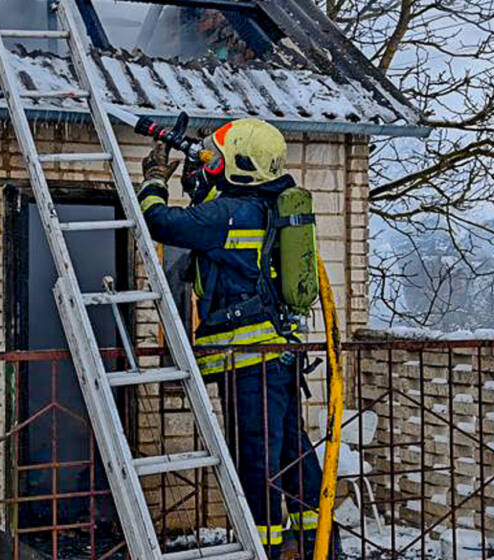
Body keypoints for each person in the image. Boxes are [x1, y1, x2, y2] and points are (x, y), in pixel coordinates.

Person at [137, 118, 326, 558]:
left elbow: (159, 222)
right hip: (278, 354)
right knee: (291, 451)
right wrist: (199, 178)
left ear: (241, 165)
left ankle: (262, 549)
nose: (213, 161)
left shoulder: (226, 213)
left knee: (256, 462)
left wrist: (153, 179)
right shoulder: (264, 206)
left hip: (249, 361)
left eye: (221, 156)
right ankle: (318, 544)